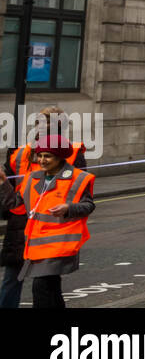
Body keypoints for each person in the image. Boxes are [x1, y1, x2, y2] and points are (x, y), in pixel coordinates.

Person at [2, 107, 87, 309]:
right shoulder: (20, 153)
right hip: (22, 224)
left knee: (45, 284)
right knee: (13, 278)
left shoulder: (72, 154)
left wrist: (68, 208)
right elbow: (12, 195)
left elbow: (83, 197)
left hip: (52, 228)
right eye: (40, 125)